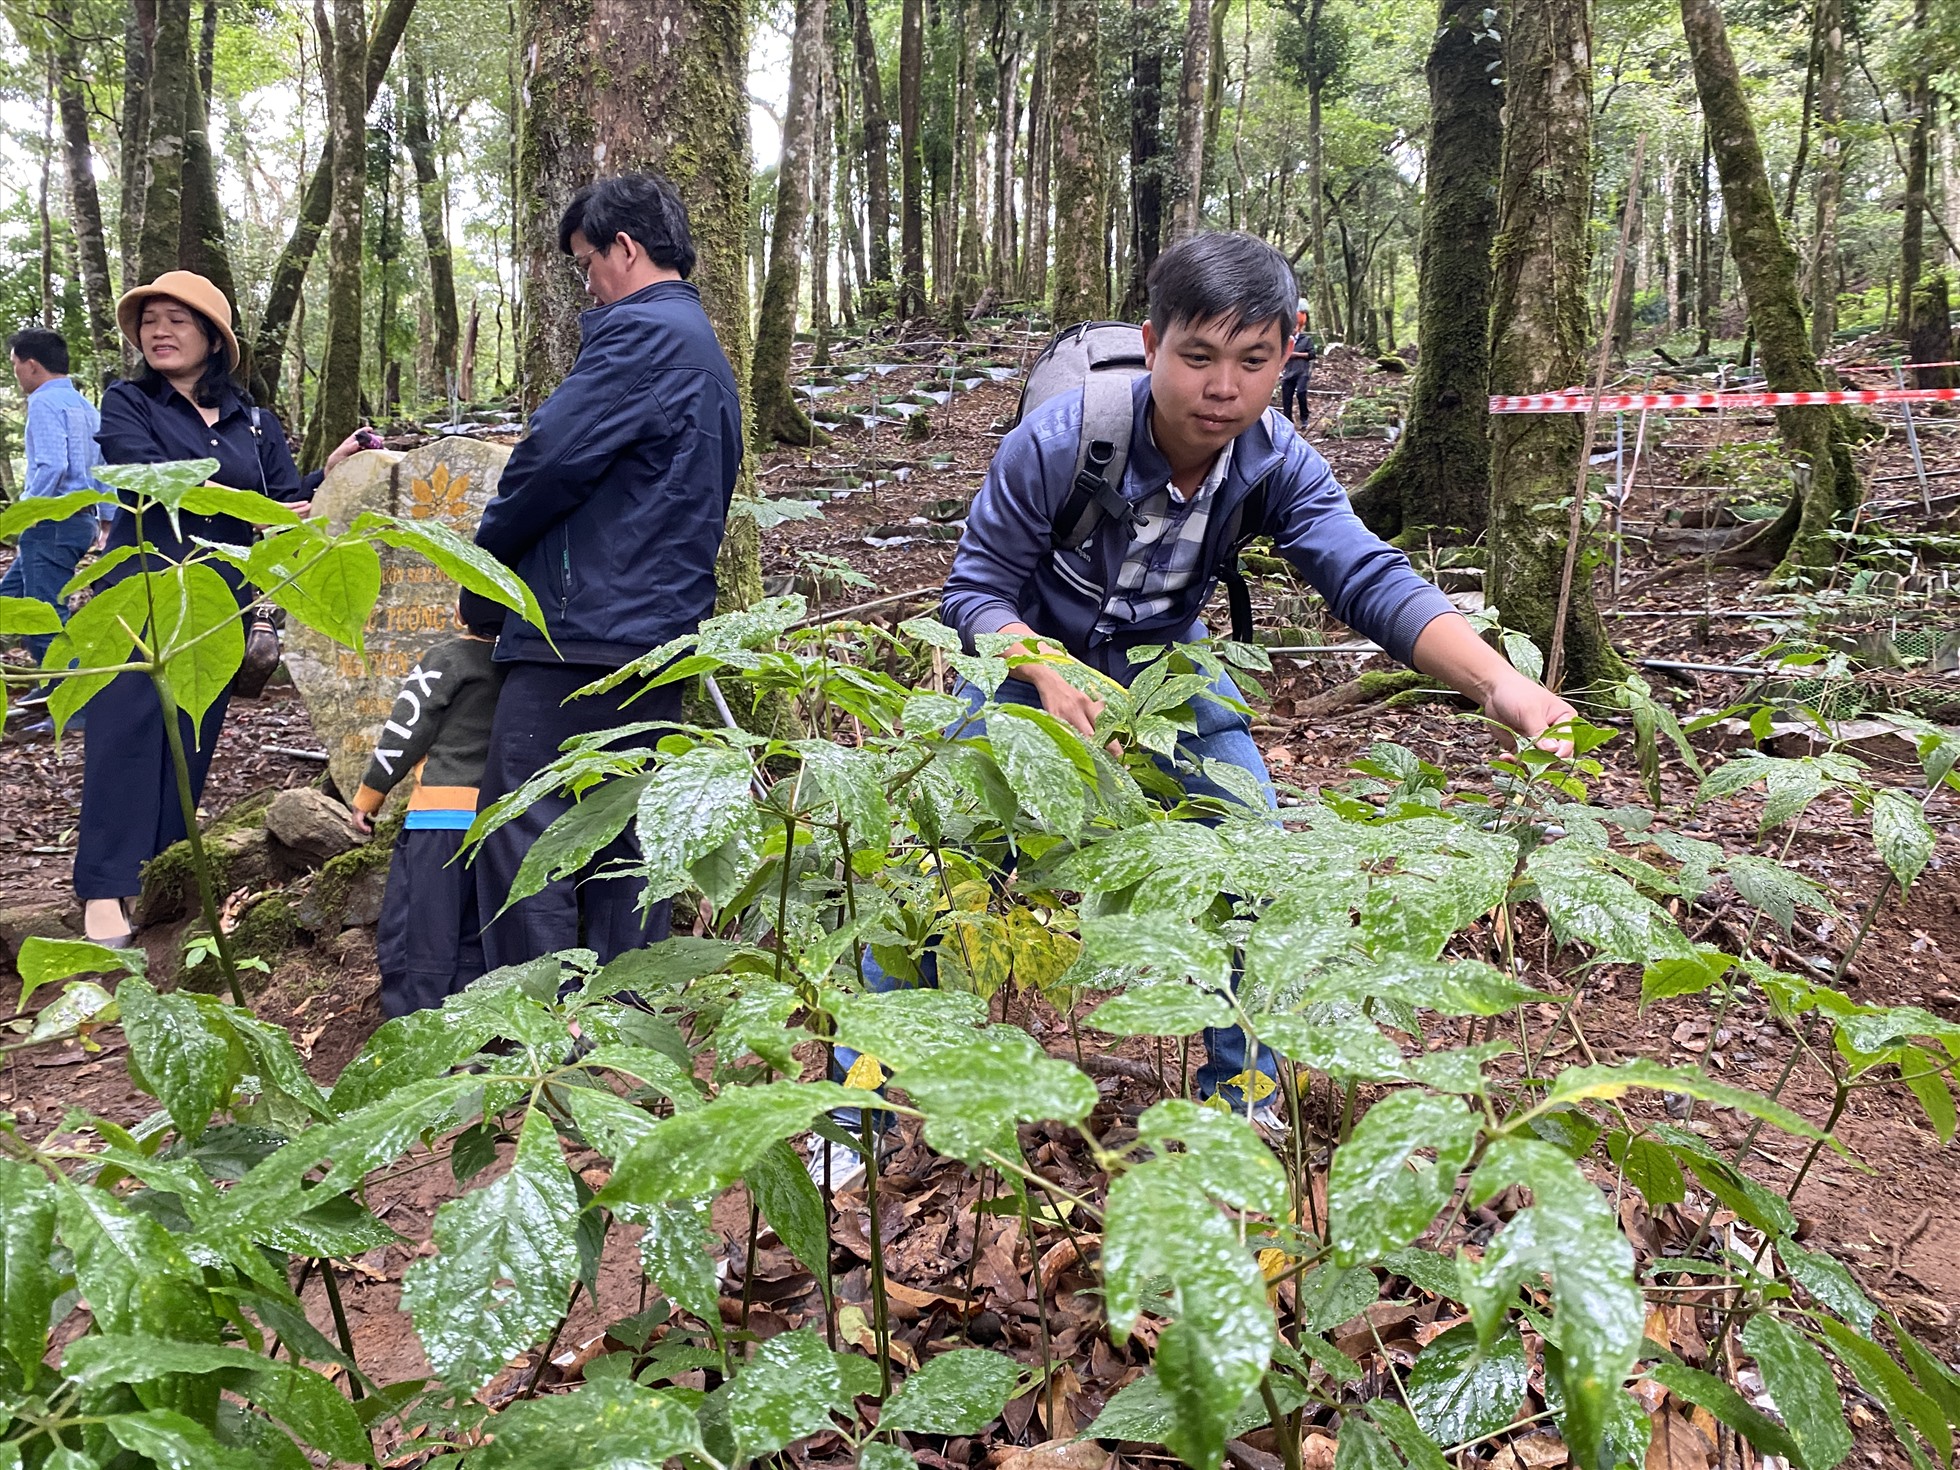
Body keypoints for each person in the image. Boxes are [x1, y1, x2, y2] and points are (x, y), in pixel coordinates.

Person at [817, 232, 1576, 1181]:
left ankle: (1244, 1103)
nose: (1224, 387)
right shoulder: (1061, 441)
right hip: (1027, 661)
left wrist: (1499, 681)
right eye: (1199, 357)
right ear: (1153, 343)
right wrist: (1041, 671)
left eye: (1253, 361)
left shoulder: (1273, 461)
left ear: (1286, 355)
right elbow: (973, 592)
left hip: (1167, 664)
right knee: (926, 866)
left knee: (1252, 852)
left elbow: (1366, 576)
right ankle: (858, 1115)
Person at [471, 171, 743, 970]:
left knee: (528, 831)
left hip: (579, 633)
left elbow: (546, 462)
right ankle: (622, 1033)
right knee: (627, 833)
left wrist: (486, 580)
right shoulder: (701, 347)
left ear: (625, 249)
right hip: (657, 634)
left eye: (586, 262)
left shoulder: (640, 337)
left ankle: (540, 1037)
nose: (586, 284)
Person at [75, 270, 371, 946]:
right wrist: (255, 507)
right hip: (143, 589)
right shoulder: (128, 403)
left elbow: (283, 495)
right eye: (149, 320)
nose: (159, 331)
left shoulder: (253, 419)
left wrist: (331, 469)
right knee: (126, 731)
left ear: (212, 337)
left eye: (177, 320)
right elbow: (146, 479)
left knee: (191, 737)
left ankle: (157, 877)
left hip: (219, 596)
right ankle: (103, 890)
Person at [349, 591, 507, 1016]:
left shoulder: (448, 658)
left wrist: (370, 794)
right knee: (475, 927)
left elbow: (406, 729)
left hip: (439, 816)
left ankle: (418, 1025)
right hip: (502, 820)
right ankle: (470, 1026)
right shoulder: (522, 663)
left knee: (421, 929)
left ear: (461, 613)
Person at [3, 329, 106, 708]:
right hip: (80, 522)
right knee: (9, 601)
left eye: (15, 365)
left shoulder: (45, 403)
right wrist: (106, 519)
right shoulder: (84, 405)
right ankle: (48, 685)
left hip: (52, 522)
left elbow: (52, 465)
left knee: (43, 615)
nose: (16, 373)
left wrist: (24, 511)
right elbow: (104, 467)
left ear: (31, 365)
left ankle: (73, 700)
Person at [1279, 302, 1318, 427]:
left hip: (1302, 372)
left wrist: (1296, 354)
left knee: (1301, 393)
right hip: (1288, 372)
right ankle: (1287, 421)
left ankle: (1304, 418)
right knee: (1286, 397)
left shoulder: (1306, 340)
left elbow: (1312, 354)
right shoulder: (1284, 341)